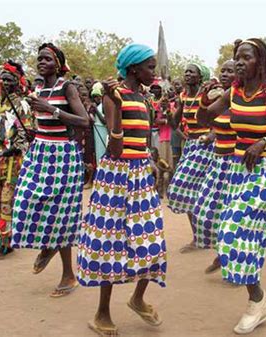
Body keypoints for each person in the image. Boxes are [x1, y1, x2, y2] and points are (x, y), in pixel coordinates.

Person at [200, 38, 266, 334]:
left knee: (233, 227)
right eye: (236, 57)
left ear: (259, 63)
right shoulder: (234, 91)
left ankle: (256, 300)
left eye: (245, 57)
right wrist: (203, 97)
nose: (238, 62)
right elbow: (204, 118)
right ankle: (257, 300)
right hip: (238, 167)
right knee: (237, 231)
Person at [77, 43, 166, 336]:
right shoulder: (114, 96)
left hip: (140, 174)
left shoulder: (144, 97)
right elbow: (115, 147)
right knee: (110, 245)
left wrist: (152, 160)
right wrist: (112, 103)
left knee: (151, 240)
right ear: (133, 69)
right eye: (150, 67)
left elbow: (144, 138)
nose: (154, 72)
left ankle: (137, 298)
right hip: (115, 176)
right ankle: (102, 313)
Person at [10, 43, 90, 297]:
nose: (40, 62)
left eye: (46, 58)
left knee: (62, 216)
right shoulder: (38, 88)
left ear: (57, 64)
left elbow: (85, 121)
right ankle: (48, 246)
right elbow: (45, 123)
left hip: (63, 156)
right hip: (40, 152)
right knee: (24, 200)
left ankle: (68, 275)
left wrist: (51, 109)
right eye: (38, 58)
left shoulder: (67, 87)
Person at [0, 61, 34, 260]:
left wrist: (2, 154)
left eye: (8, 79)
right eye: (1, 78)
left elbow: (23, 139)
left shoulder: (21, 105)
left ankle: (6, 242)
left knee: (7, 202)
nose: (3, 81)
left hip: (12, 162)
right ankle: (6, 236)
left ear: (16, 82)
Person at [167, 63, 215, 253]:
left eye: (191, 72)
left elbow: (219, 118)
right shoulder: (183, 97)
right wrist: (167, 111)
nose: (187, 74)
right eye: (186, 71)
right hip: (191, 146)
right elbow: (174, 123)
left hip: (207, 146)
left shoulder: (208, 95)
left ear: (200, 76)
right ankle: (198, 237)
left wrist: (211, 135)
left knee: (184, 187)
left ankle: (205, 237)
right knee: (187, 192)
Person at [195, 59, 236, 272]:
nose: (225, 74)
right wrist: (204, 98)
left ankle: (228, 259)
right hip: (218, 163)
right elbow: (205, 121)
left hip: (236, 166)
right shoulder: (219, 100)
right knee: (205, 212)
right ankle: (222, 252)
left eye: (231, 71)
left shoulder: (242, 101)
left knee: (231, 215)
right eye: (223, 70)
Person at [77, 85, 97, 189]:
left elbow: (91, 120)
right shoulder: (75, 105)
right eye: (81, 94)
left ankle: (90, 180)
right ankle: (82, 178)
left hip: (89, 134)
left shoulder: (91, 106)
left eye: (85, 94)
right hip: (79, 134)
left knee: (89, 157)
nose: (83, 96)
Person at [91, 82, 108, 165]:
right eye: (94, 97)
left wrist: (96, 110)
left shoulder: (104, 105)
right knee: (99, 152)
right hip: (97, 130)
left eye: (98, 96)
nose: (96, 99)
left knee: (102, 151)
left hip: (103, 130)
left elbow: (105, 121)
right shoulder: (98, 105)